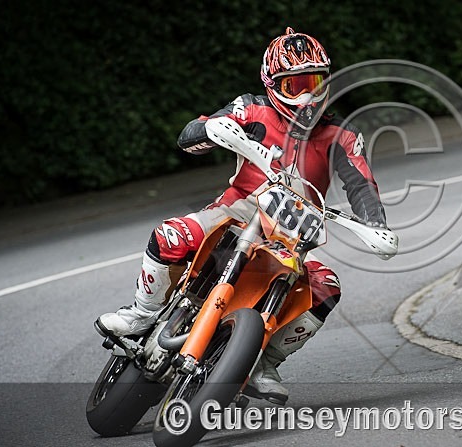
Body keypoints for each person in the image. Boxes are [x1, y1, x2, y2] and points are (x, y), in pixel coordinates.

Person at [96, 27, 387, 405]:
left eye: (313, 82)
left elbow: (362, 184)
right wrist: (215, 128)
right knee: (170, 236)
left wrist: (375, 224)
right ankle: (141, 313)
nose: (305, 95)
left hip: (293, 231)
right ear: (272, 84)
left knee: (326, 287)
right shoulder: (251, 108)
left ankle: (262, 361)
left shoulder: (342, 135)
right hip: (235, 210)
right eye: (294, 84)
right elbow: (191, 135)